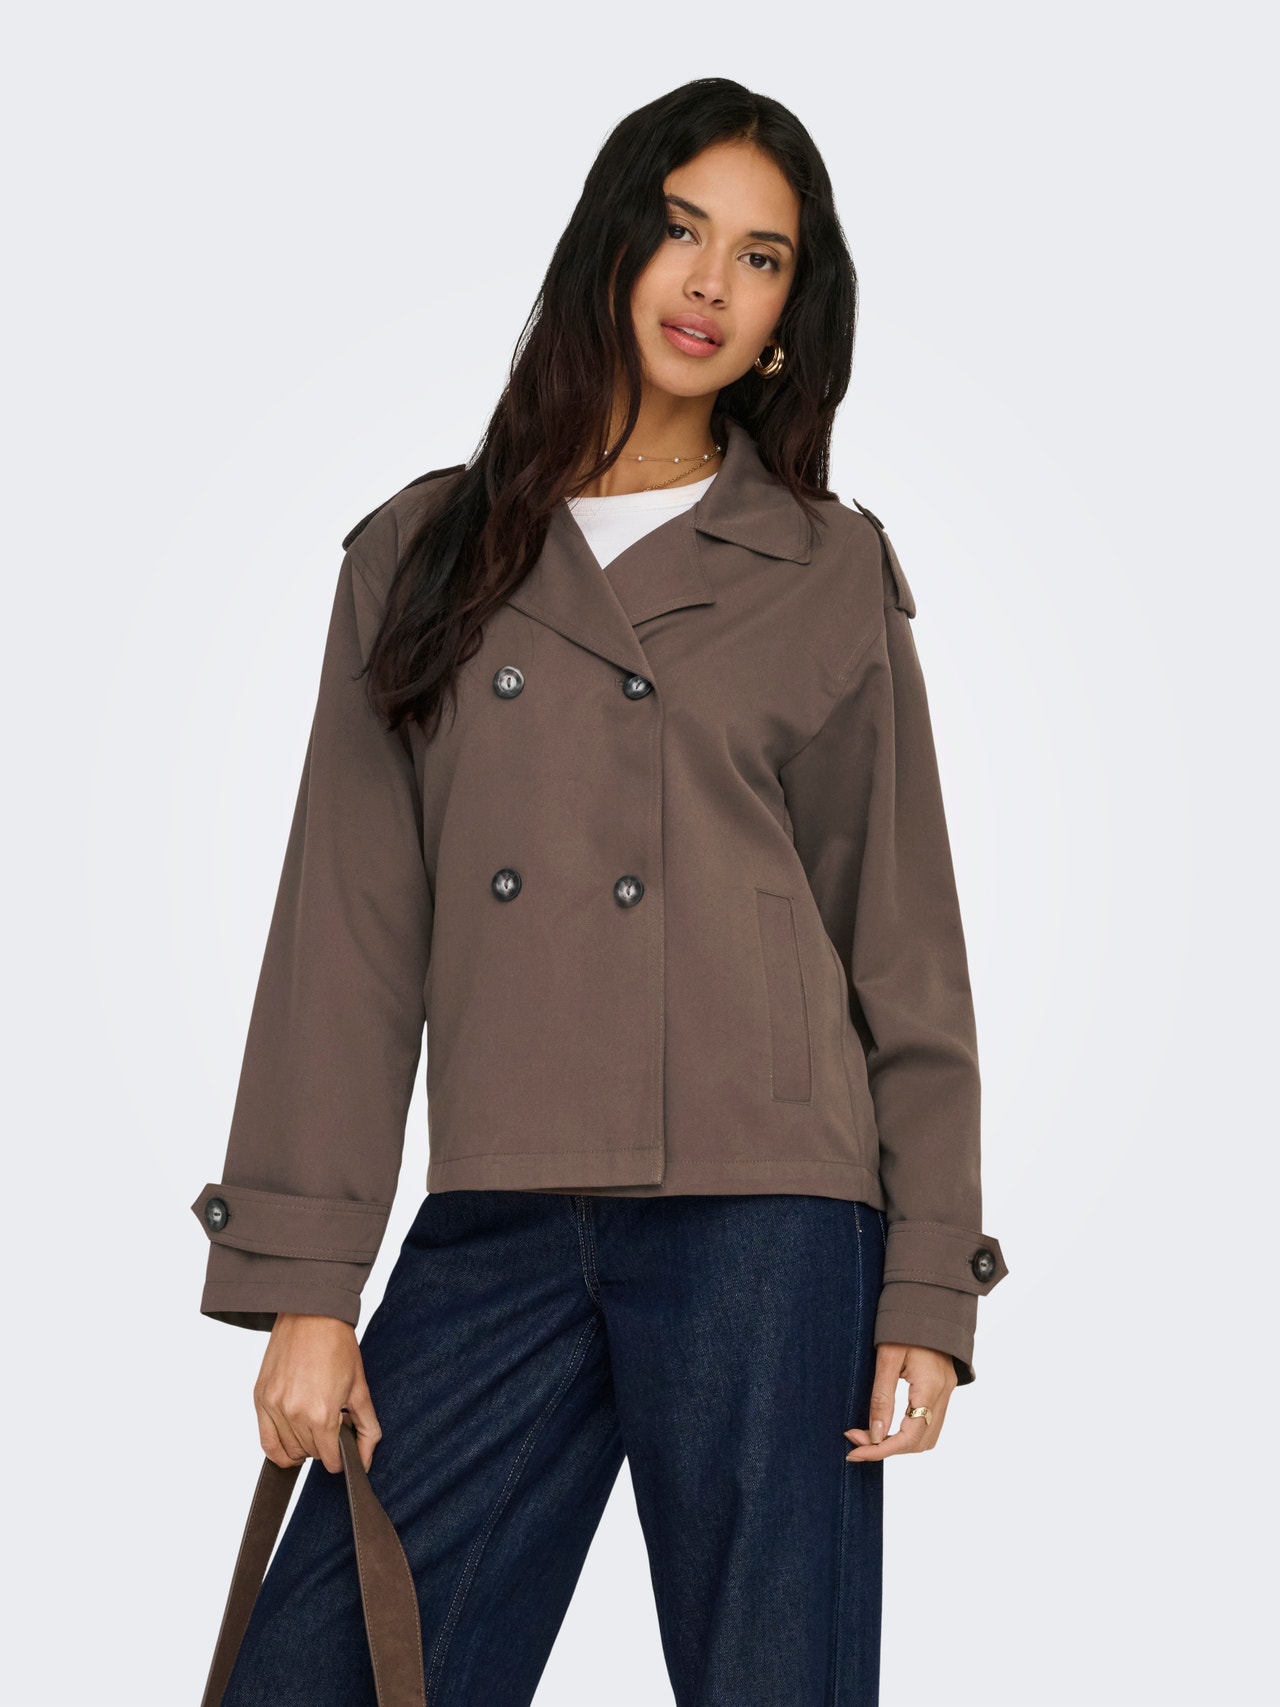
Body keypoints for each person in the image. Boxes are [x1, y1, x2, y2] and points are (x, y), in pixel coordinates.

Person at [193, 75, 1009, 1707]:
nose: (711, 284)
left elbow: (903, 943)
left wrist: (927, 1281)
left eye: (762, 259)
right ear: (609, 246)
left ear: (789, 316)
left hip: (771, 1219)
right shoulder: (422, 553)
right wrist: (307, 1288)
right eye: (682, 231)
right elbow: (346, 942)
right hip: (499, 1208)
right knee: (325, 1672)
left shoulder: (826, 569)